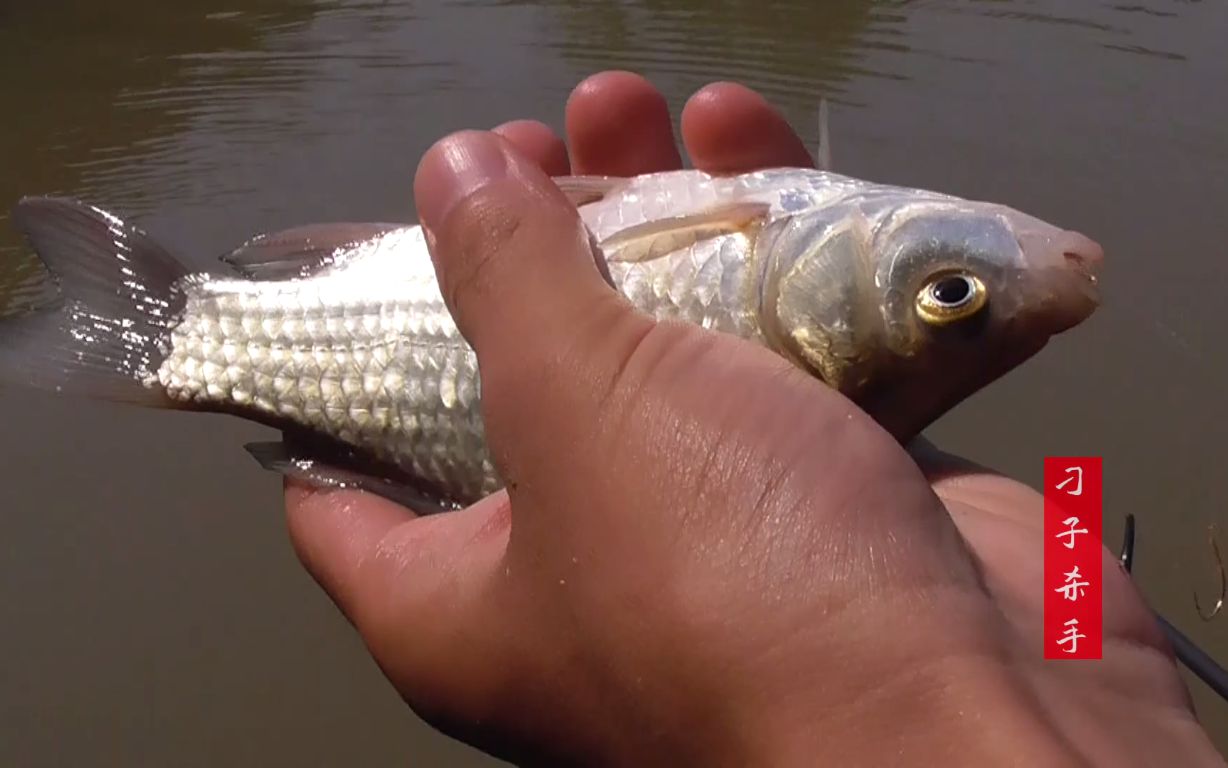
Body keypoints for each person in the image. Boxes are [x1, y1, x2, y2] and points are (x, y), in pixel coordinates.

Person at [280, 72, 1224, 766]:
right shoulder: (1071, 577)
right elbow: (1079, 606)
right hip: (1105, 655)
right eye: (954, 294)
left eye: (950, 294)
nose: (1057, 271)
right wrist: (1105, 671)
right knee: (1075, 511)